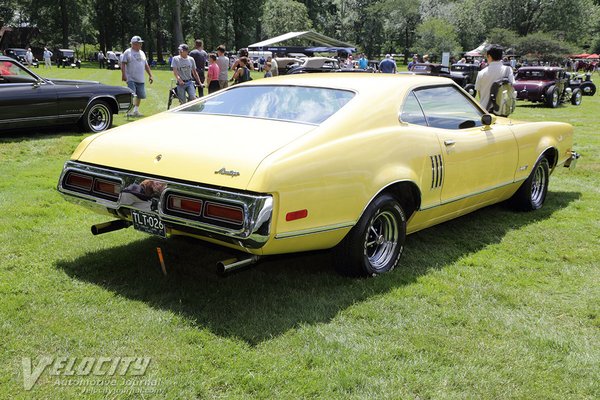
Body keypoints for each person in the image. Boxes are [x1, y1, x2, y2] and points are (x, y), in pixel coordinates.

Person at [474, 44, 514, 112]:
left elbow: (479, 92)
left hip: (485, 109)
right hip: (502, 110)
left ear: (489, 56)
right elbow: (511, 87)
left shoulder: (481, 73)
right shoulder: (508, 70)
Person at [121, 36, 154, 117]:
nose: (140, 45)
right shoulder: (127, 52)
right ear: (133, 44)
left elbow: (146, 65)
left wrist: (150, 75)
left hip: (140, 78)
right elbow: (123, 63)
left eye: (141, 43)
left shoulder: (142, 53)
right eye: (139, 43)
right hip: (131, 78)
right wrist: (123, 74)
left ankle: (136, 111)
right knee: (132, 94)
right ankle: (129, 111)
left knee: (140, 95)